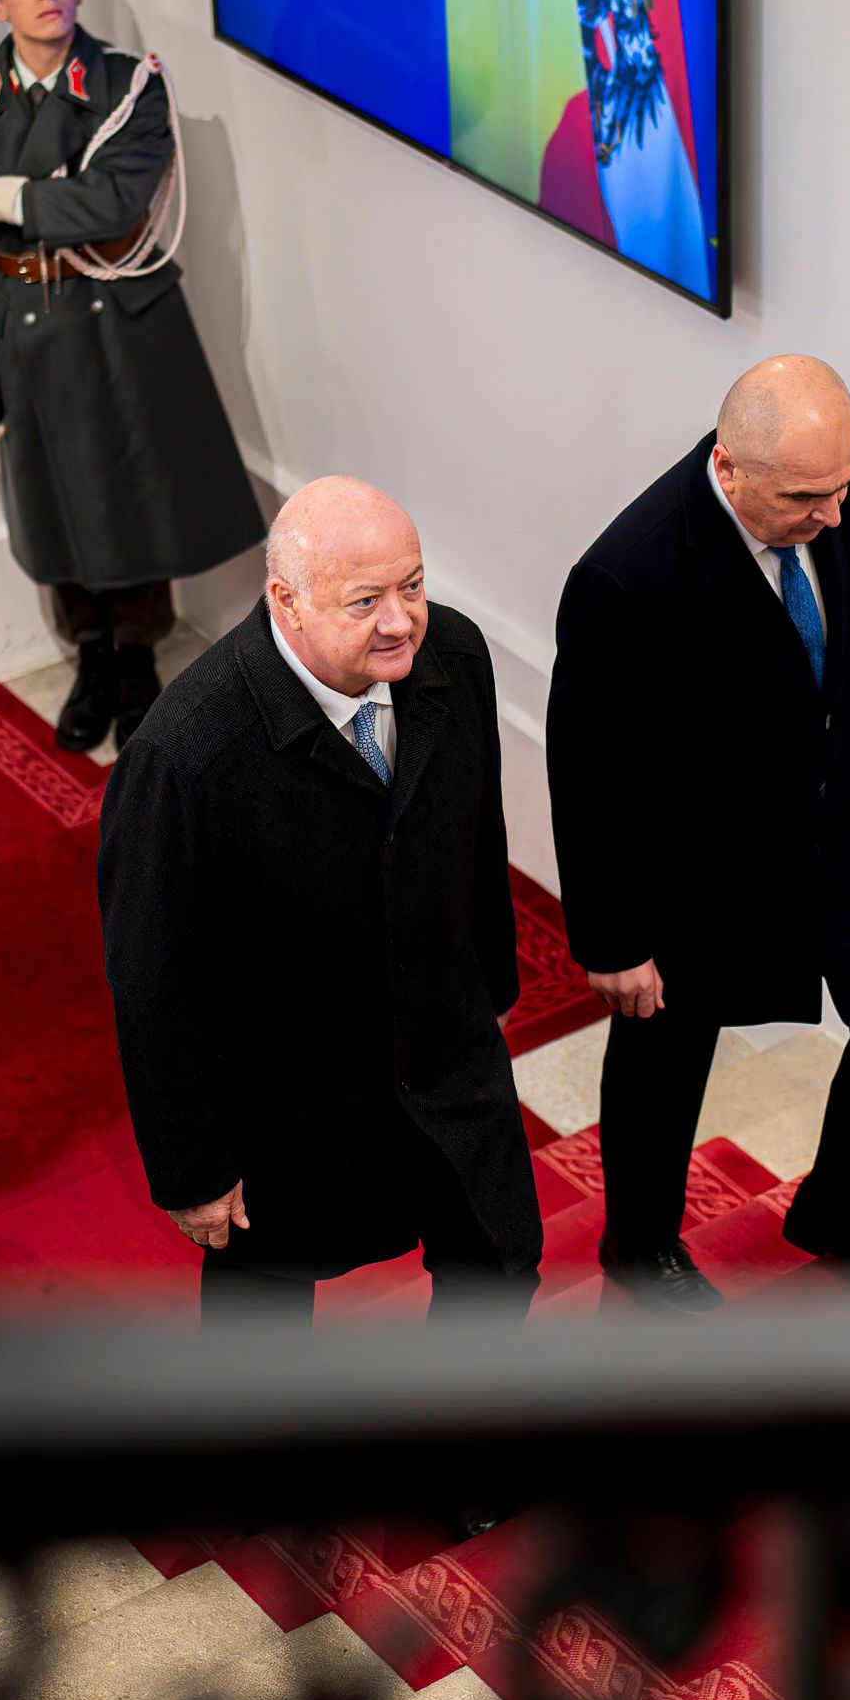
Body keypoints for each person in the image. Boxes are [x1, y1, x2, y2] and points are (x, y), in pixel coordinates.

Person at [545, 357, 850, 1309]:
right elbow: (588, 772)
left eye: (840, 487)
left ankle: (837, 1206)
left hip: (840, 821)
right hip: (700, 861)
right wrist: (612, 941)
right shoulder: (626, 574)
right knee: (664, 1053)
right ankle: (638, 1248)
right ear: (728, 466)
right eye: (803, 499)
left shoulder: (846, 484)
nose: (831, 514)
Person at [98, 477, 541, 1320]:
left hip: (448, 1062)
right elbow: (153, 983)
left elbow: (478, 833)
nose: (400, 621)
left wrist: (490, 986)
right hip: (288, 1109)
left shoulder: (455, 654)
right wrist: (192, 1168)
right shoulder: (181, 757)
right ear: (286, 601)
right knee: (260, 1339)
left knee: (500, 1272)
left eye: (412, 585)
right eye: (364, 601)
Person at [0, 0, 264, 751]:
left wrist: (6, 198)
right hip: (19, 317)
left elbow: (112, 203)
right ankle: (91, 658)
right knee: (49, 497)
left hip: (111, 315)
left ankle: (136, 657)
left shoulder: (126, 83)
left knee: (130, 490)